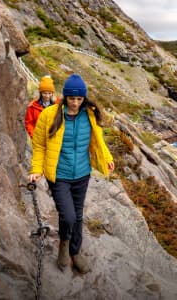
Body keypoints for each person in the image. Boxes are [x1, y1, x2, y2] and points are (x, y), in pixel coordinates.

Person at [28, 74, 114, 273]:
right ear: (64, 97)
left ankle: (75, 252)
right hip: (59, 176)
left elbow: (98, 142)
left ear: (84, 98)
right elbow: (39, 145)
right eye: (71, 98)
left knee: (78, 216)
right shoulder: (50, 114)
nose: (75, 103)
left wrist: (107, 159)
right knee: (68, 216)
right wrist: (36, 170)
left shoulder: (90, 114)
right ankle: (64, 245)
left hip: (82, 174)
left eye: (79, 99)